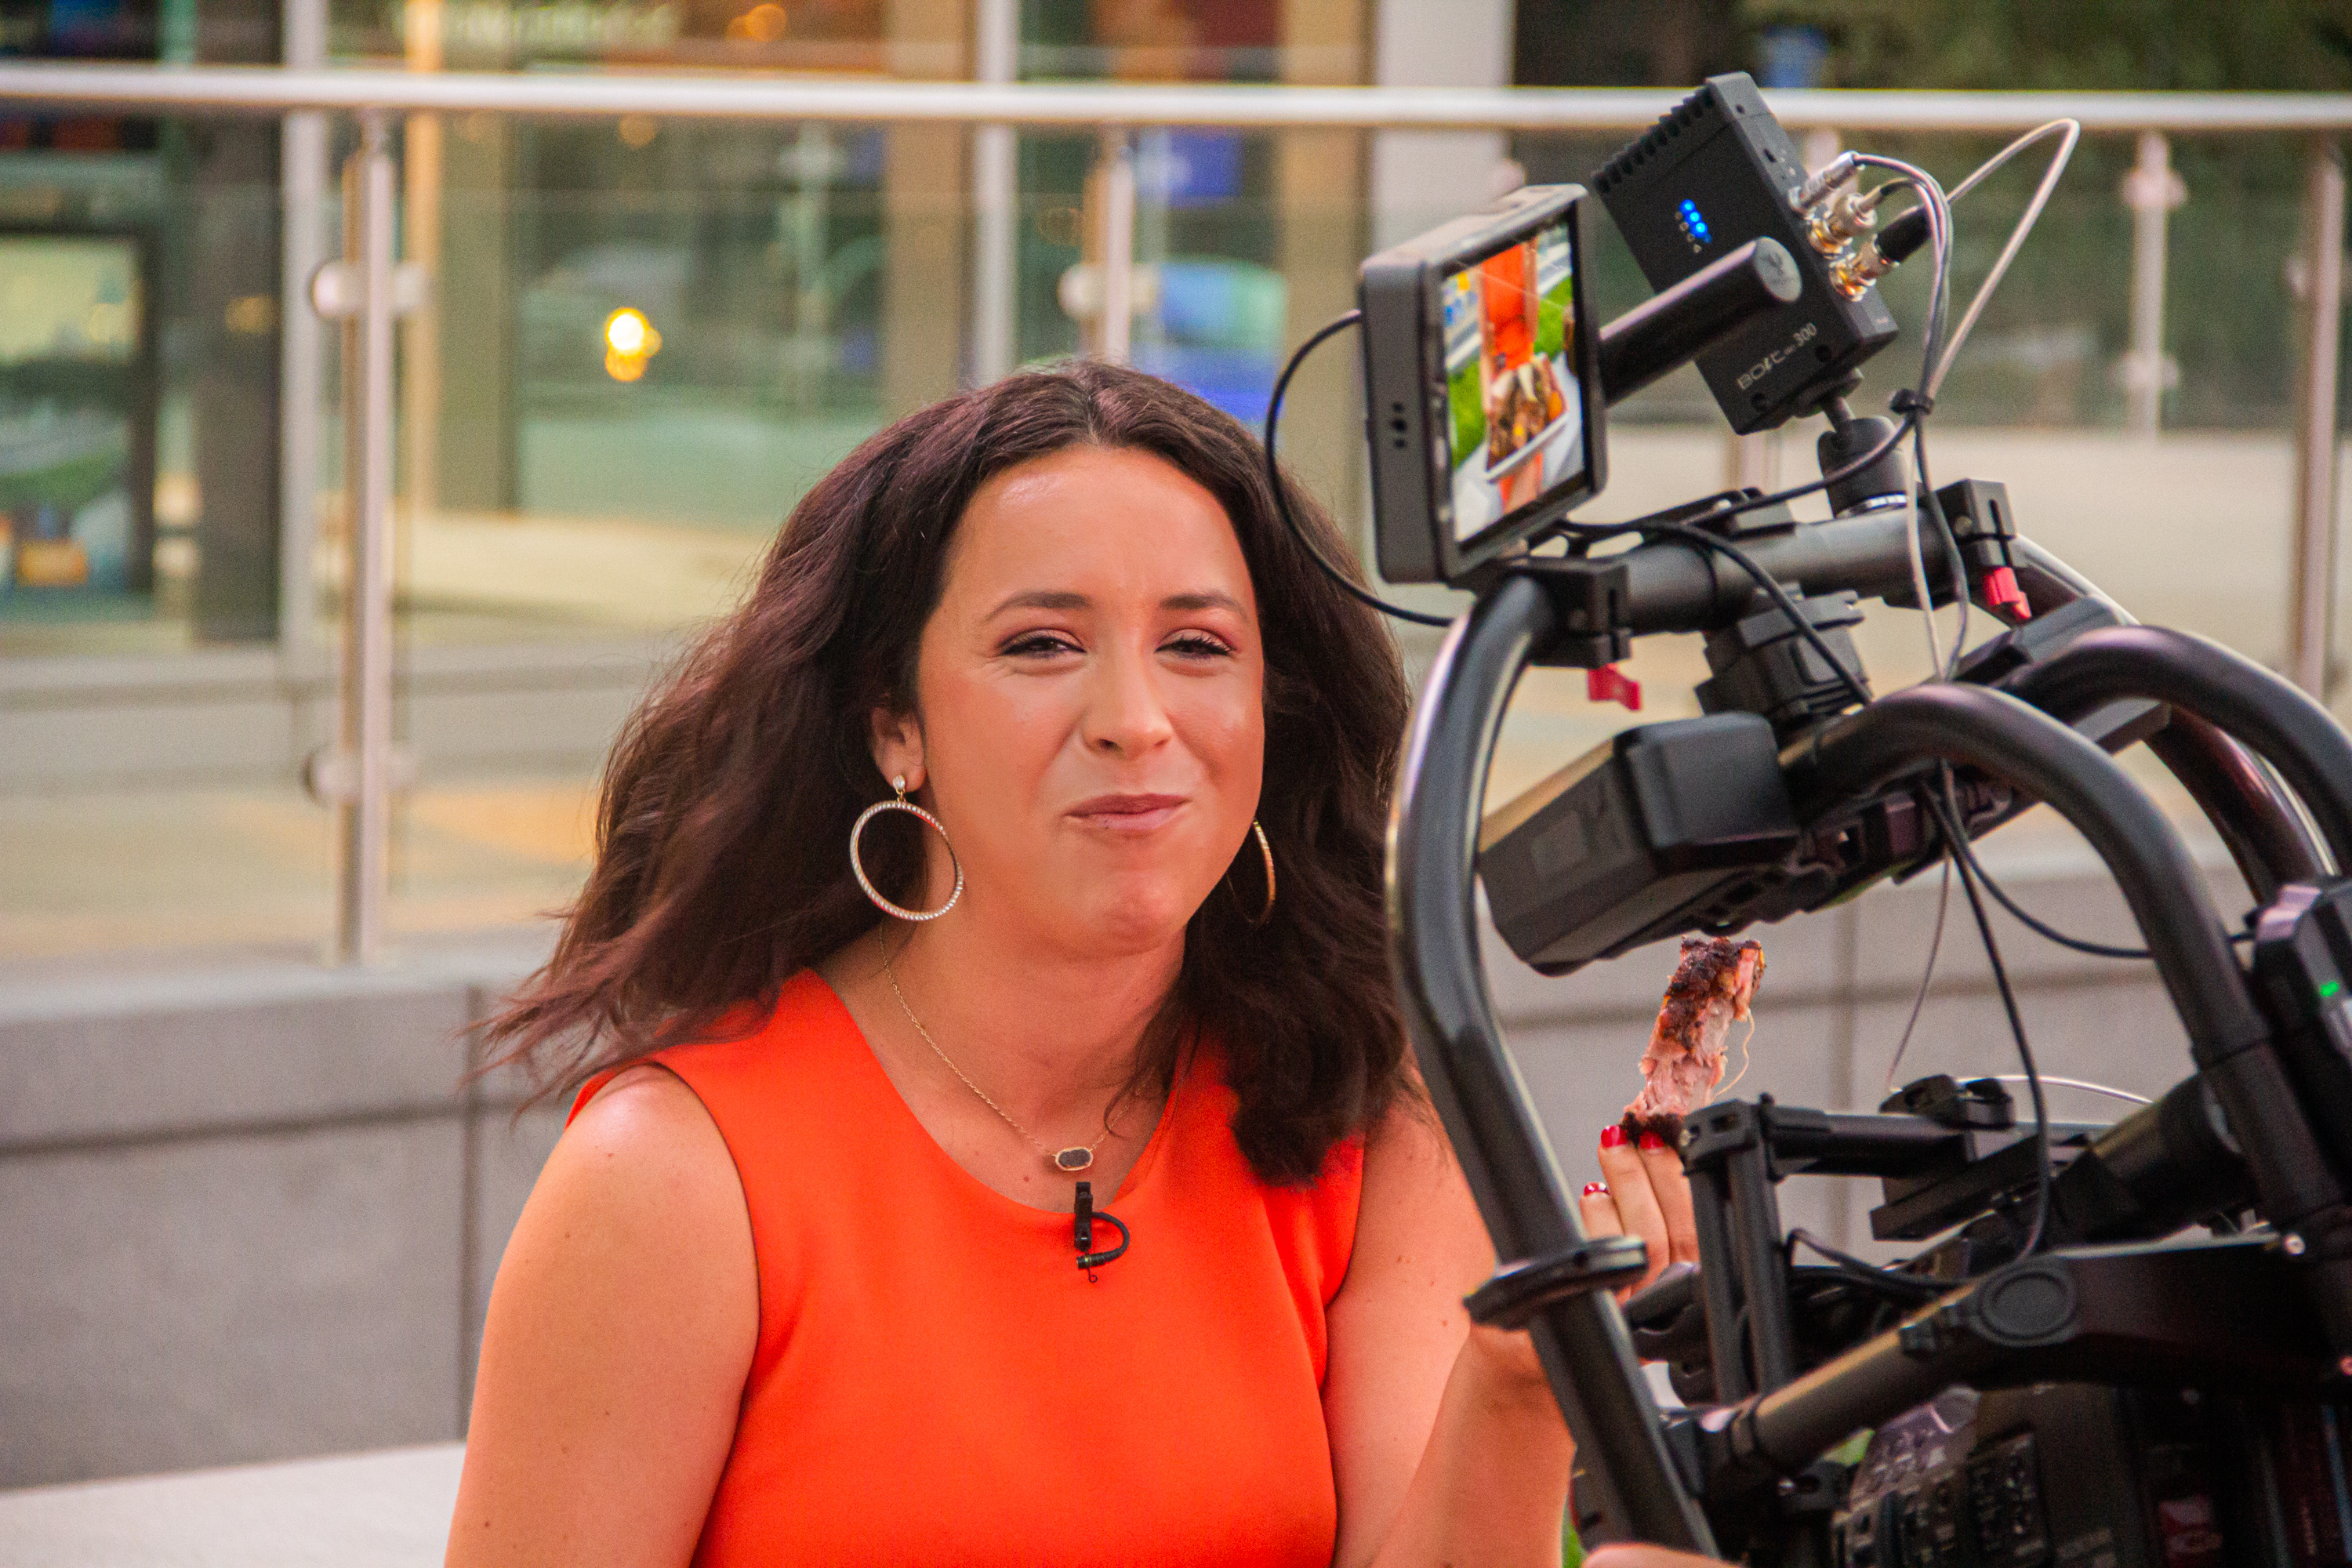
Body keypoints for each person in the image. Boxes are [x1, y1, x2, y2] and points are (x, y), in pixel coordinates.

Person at [447, 361, 1724, 1568]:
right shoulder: (672, 1178)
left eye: (1199, 646)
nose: (1133, 720)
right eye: (1042, 646)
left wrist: (1521, 1382)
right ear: (897, 726)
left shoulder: (1357, 1122)